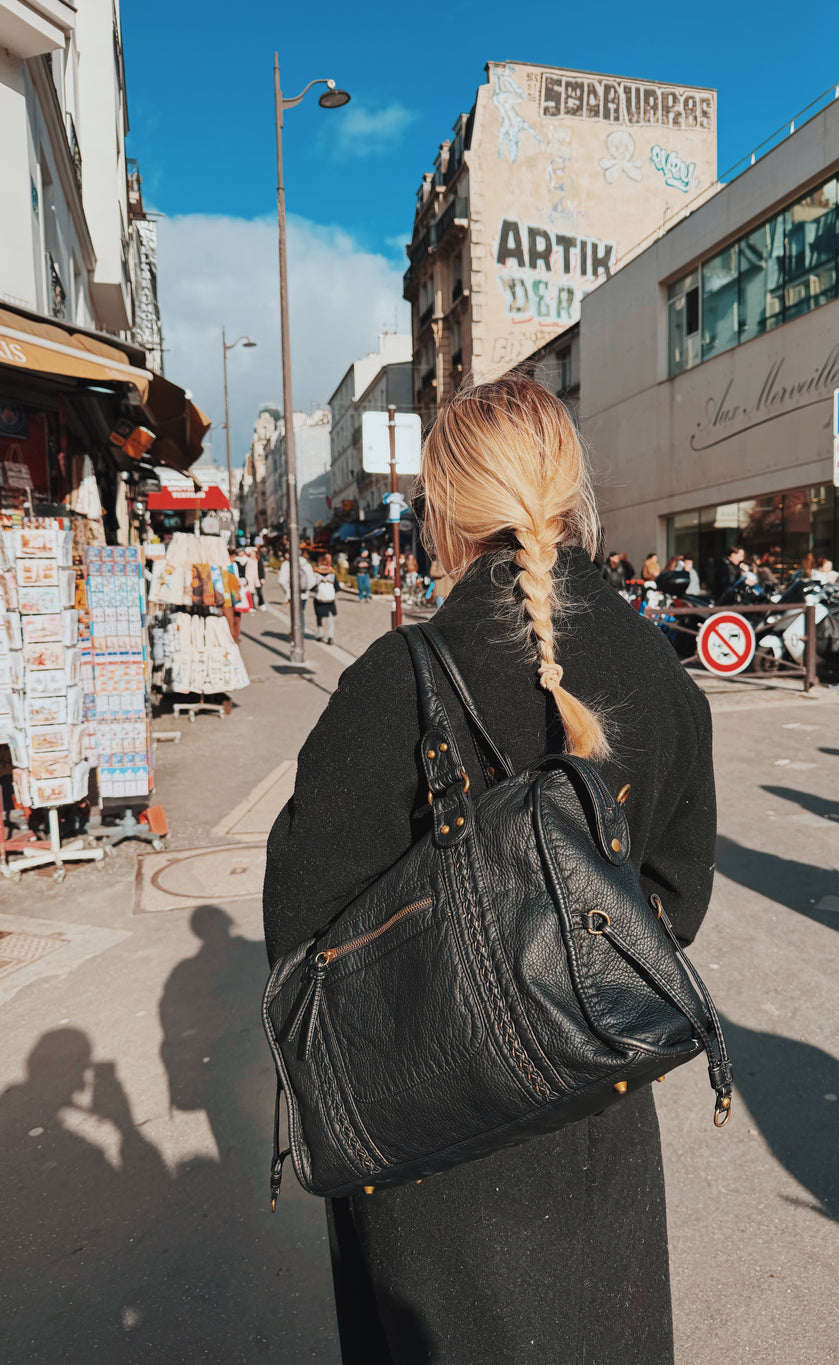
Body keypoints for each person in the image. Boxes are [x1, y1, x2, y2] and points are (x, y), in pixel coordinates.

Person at [264, 374, 716, 1364]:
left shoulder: (399, 680)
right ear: (572, 493)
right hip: (597, 1123)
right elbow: (673, 909)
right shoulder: (665, 680)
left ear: (443, 510)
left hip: (431, 1144)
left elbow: (301, 938)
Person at [278, 547, 317, 637]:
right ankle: (301, 631)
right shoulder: (306, 565)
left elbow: (282, 580)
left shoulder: (286, 564)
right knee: (301, 612)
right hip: (303, 594)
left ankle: (295, 631)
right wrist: (305, 588)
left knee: (294, 613)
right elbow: (312, 581)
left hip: (292, 594)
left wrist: (288, 591)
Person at [311, 553, 339, 644]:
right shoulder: (332, 574)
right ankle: (331, 636)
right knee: (330, 618)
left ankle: (320, 634)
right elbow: (337, 587)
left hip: (319, 599)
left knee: (319, 617)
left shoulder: (315, 574)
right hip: (330, 599)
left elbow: (311, 587)